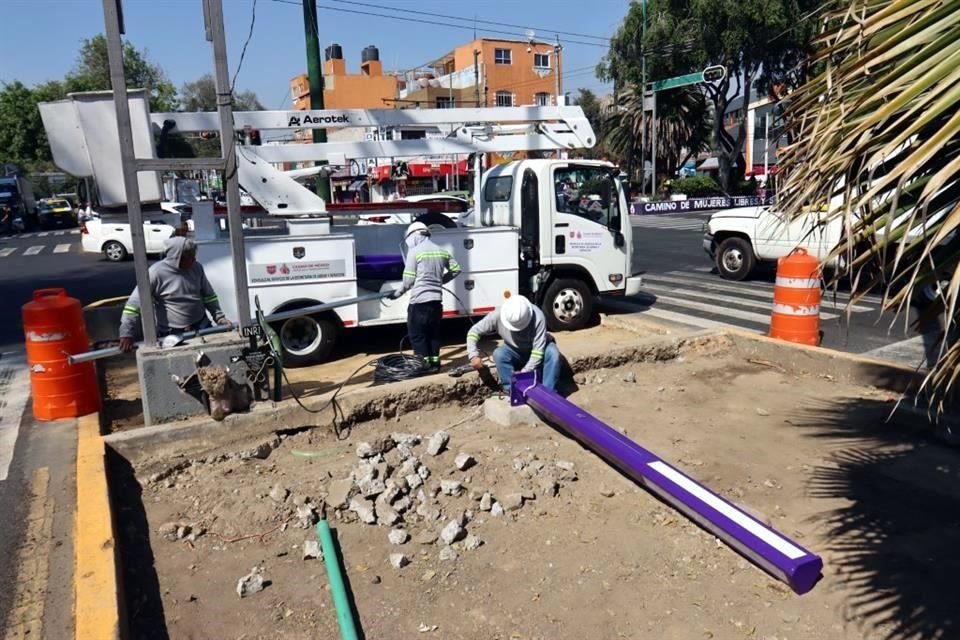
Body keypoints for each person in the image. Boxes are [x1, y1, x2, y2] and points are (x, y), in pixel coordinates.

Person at [118, 236, 230, 352]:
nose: (193, 260)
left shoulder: (197, 268)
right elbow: (133, 305)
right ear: (176, 257)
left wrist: (220, 318)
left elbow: (209, 296)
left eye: (193, 257)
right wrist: (126, 333)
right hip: (172, 333)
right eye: (189, 258)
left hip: (202, 326)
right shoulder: (155, 273)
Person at [390, 222, 462, 371]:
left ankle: (422, 366)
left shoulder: (415, 252)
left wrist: (397, 293)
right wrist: (439, 281)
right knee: (433, 335)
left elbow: (408, 281)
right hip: (436, 302)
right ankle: (435, 364)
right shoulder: (441, 251)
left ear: (415, 235)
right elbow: (456, 269)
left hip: (419, 303)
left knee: (418, 336)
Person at [466, 295, 561, 393]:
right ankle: (511, 390)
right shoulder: (497, 315)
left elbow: (538, 352)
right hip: (515, 351)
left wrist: (524, 373)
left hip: (539, 350)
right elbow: (474, 332)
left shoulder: (538, 317)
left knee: (553, 354)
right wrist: (473, 355)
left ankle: (549, 392)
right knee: (499, 354)